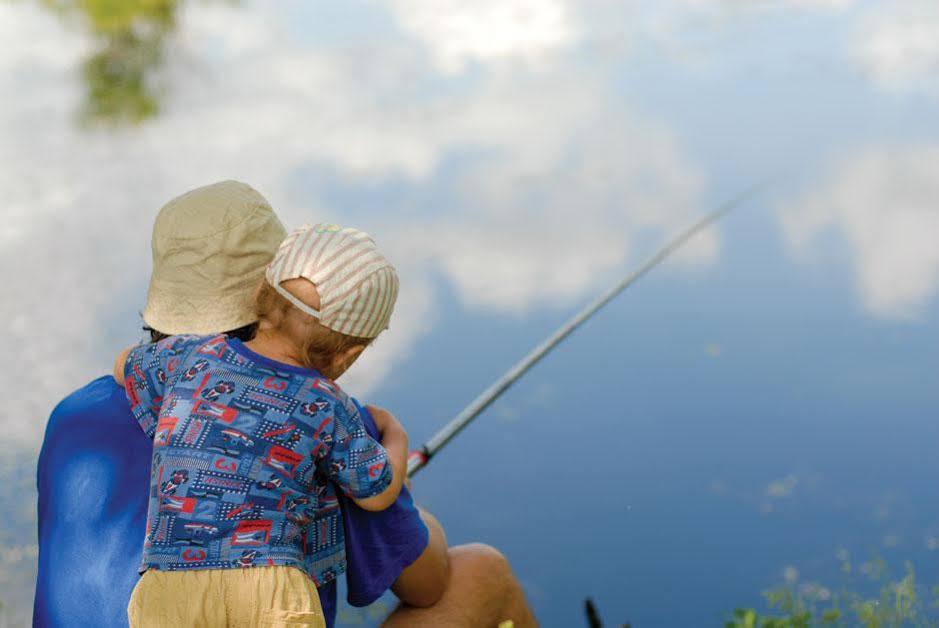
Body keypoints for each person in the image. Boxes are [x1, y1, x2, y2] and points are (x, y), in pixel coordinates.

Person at [34, 180, 536, 627]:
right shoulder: (327, 416)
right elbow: (427, 583)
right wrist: (407, 506)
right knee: (481, 573)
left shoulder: (73, 416)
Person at [115, 223, 409, 626]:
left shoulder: (188, 355)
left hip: (169, 585)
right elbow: (376, 492)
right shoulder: (327, 403)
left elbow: (123, 366)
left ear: (257, 295)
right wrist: (395, 435)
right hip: (271, 590)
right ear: (348, 355)